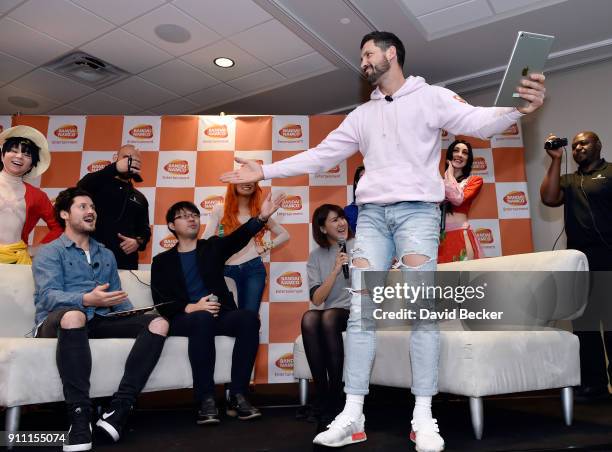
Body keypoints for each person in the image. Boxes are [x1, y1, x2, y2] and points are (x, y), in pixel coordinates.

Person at [220, 30, 546, 450]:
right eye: (362, 56)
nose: (363, 62)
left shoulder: (431, 97)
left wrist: (519, 108)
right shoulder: (361, 115)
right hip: (372, 217)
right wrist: (263, 172)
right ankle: (352, 415)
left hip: (418, 214)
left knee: (422, 314)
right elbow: (321, 155)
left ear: (392, 54)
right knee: (360, 316)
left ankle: (423, 416)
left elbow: (479, 121)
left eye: (369, 53)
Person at [32, 187, 169, 451]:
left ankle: (120, 407)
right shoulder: (50, 252)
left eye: (92, 207)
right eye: (82, 206)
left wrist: (133, 314)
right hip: (58, 320)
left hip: (99, 320)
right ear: (64, 214)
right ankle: (79, 417)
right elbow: (48, 297)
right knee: (74, 316)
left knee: (158, 322)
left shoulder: (106, 254)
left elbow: (116, 297)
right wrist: (86, 299)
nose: (91, 211)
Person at [151, 193, 284, 425]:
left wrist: (261, 218)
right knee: (202, 318)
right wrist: (192, 307)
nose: (191, 219)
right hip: (186, 317)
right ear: (172, 225)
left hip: (219, 314)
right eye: (183, 217)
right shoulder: (162, 261)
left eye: (194, 215)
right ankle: (206, 399)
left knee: (248, 319)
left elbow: (238, 238)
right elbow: (161, 301)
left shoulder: (210, 247)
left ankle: (238, 394)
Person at [540, 131, 611, 400]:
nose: (579, 147)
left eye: (585, 142)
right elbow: (548, 198)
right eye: (576, 143)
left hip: (609, 257)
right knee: (585, 325)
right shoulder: (569, 180)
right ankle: (594, 385)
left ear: (598, 145)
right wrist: (556, 159)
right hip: (579, 260)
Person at [301, 204, 353, 424]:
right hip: (332, 311)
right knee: (310, 317)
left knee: (328, 317)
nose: (341, 223)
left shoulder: (359, 246)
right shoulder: (315, 257)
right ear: (322, 229)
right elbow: (317, 299)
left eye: (342, 218)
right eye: (334, 220)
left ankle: (336, 394)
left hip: (356, 309)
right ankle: (322, 395)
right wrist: (334, 270)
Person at [203, 182, 289, 313]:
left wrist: (265, 247)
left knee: (250, 318)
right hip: (225, 271)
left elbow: (285, 234)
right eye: (243, 180)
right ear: (233, 185)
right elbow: (206, 239)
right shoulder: (219, 209)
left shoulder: (259, 212)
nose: (247, 184)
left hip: (253, 270)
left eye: (252, 181)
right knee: (229, 317)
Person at [77, 144, 150, 270]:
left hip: (126, 263)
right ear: (116, 158)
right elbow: (82, 185)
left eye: (134, 160)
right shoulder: (99, 185)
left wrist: (138, 242)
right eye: (126, 158)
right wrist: (115, 168)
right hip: (93, 260)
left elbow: (145, 231)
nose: (129, 163)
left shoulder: (140, 198)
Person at [0, 125, 62, 264]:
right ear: (2, 154)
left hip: (16, 263)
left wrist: (37, 249)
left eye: (27, 154)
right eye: (13, 151)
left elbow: (60, 227)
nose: (19, 156)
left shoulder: (38, 196)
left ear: (31, 165)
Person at [438, 140, 484, 263]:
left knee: (462, 279)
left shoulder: (474, 181)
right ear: (449, 155)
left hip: (460, 235)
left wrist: (450, 175)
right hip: (437, 238)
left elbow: (458, 199)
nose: (459, 155)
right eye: (456, 150)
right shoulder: (437, 182)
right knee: (440, 280)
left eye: (465, 153)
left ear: (468, 159)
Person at [344, 166, 364, 233]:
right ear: (356, 183)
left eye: (368, 177)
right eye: (362, 177)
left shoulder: (383, 208)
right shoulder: (348, 210)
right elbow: (342, 237)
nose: (366, 180)